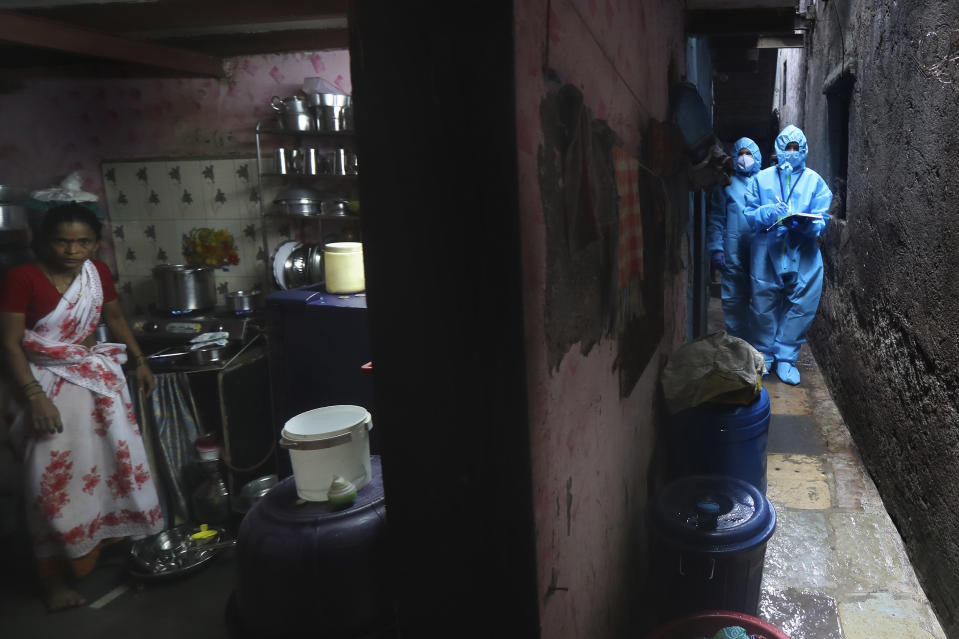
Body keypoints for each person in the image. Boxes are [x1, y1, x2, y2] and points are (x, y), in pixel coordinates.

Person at [0, 203, 163, 610]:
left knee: (108, 469)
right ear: (44, 241)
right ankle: (53, 581)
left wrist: (139, 361)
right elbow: (8, 343)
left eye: (83, 241)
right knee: (51, 485)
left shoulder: (97, 273)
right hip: (44, 387)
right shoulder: (22, 278)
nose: (73, 250)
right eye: (62, 240)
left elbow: (116, 317)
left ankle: (100, 549)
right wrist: (35, 397)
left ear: (95, 243)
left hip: (96, 383)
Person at [743, 125, 832, 385]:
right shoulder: (760, 179)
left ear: (804, 149)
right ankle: (765, 356)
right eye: (787, 147)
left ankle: (786, 358)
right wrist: (767, 212)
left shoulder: (815, 182)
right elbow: (750, 215)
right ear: (778, 148)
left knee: (801, 306)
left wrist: (806, 225)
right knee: (763, 306)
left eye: (796, 148)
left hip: (802, 253)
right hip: (766, 253)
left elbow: (822, 219)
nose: (791, 153)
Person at [707, 137, 763, 342]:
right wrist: (716, 247)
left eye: (749, 153)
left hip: (761, 252)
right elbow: (716, 218)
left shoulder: (764, 182)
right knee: (734, 300)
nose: (744, 158)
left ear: (757, 156)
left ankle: (760, 348)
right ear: (734, 156)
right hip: (733, 252)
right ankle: (738, 344)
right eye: (741, 153)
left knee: (762, 299)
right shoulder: (726, 184)